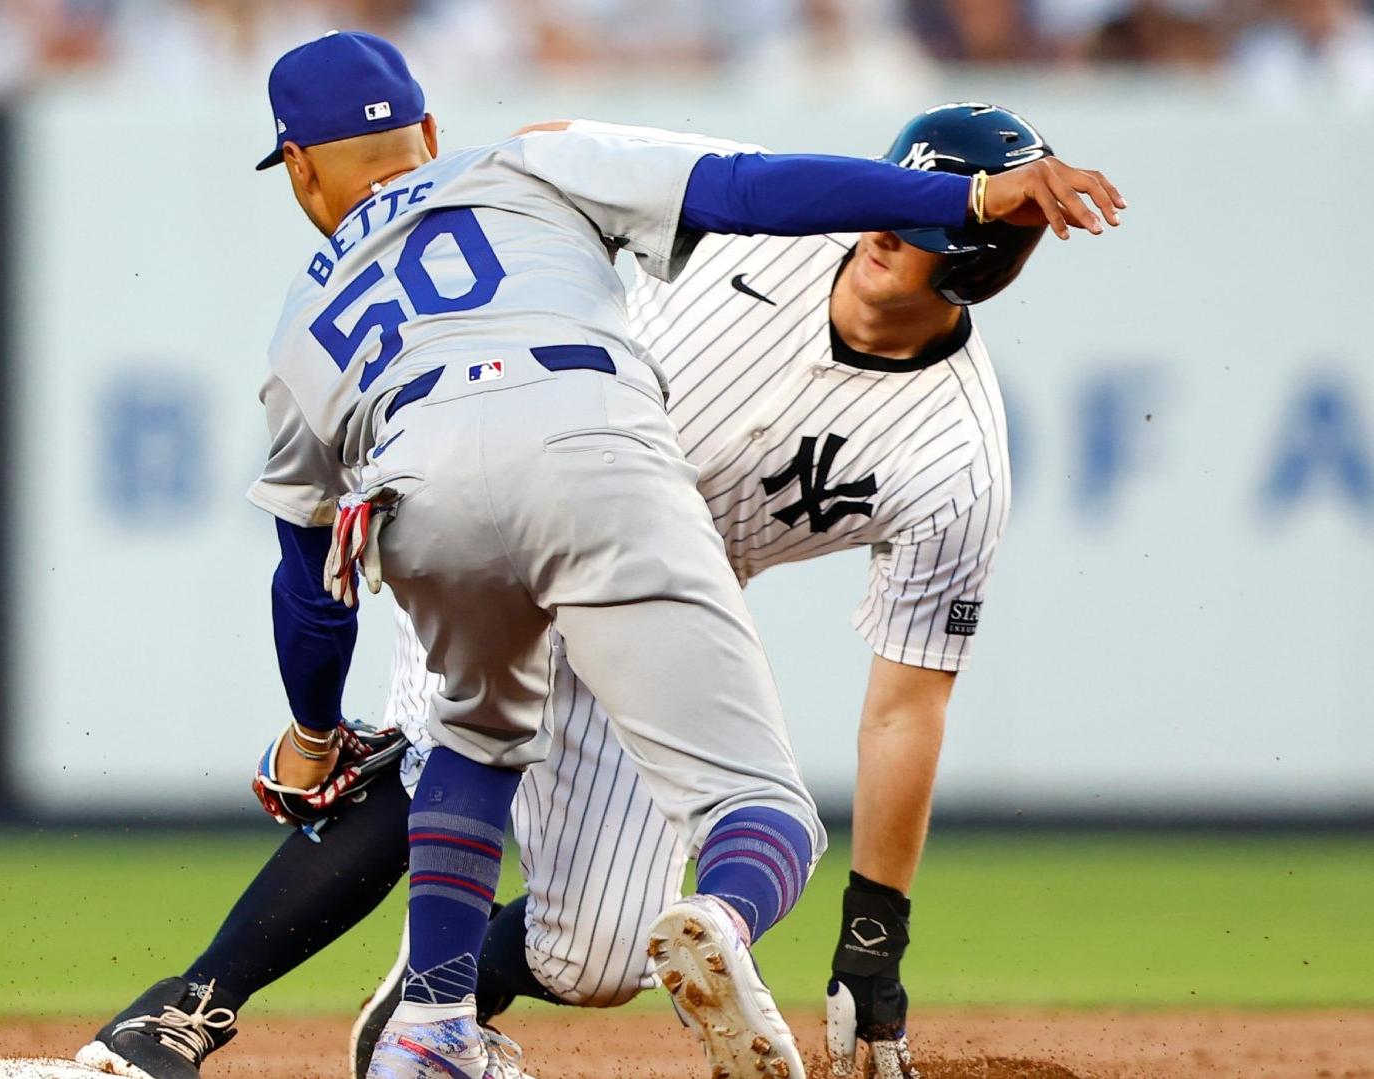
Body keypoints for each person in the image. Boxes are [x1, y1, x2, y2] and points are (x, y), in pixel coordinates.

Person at [74, 29, 1121, 1079]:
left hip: (499, 531)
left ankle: (428, 1006)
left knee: (581, 925)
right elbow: (744, 183)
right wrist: (976, 199)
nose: (886, 223)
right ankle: (221, 1000)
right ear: (429, 130)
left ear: (298, 165)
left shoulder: (306, 314)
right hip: (606, 494)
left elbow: (307, 575)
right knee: (680, 792)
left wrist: (309, 729)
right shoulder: (568, 175)